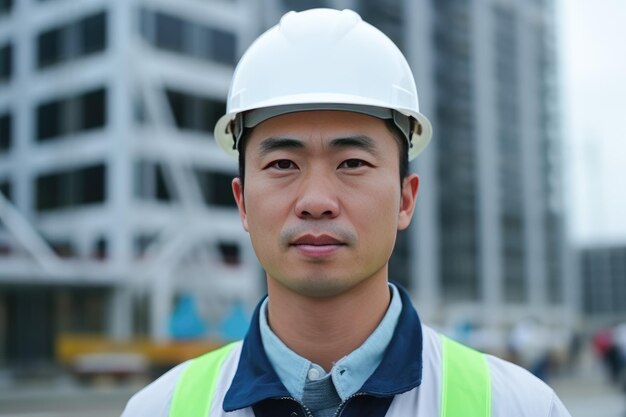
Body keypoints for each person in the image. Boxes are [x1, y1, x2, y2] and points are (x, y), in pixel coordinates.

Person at [121, 8, 571, 417]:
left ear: (405, 199)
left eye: (352, 163)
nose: (316, 200)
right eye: (283, 164)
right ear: (241, 201)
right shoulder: (160, 409)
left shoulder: (517, 406)